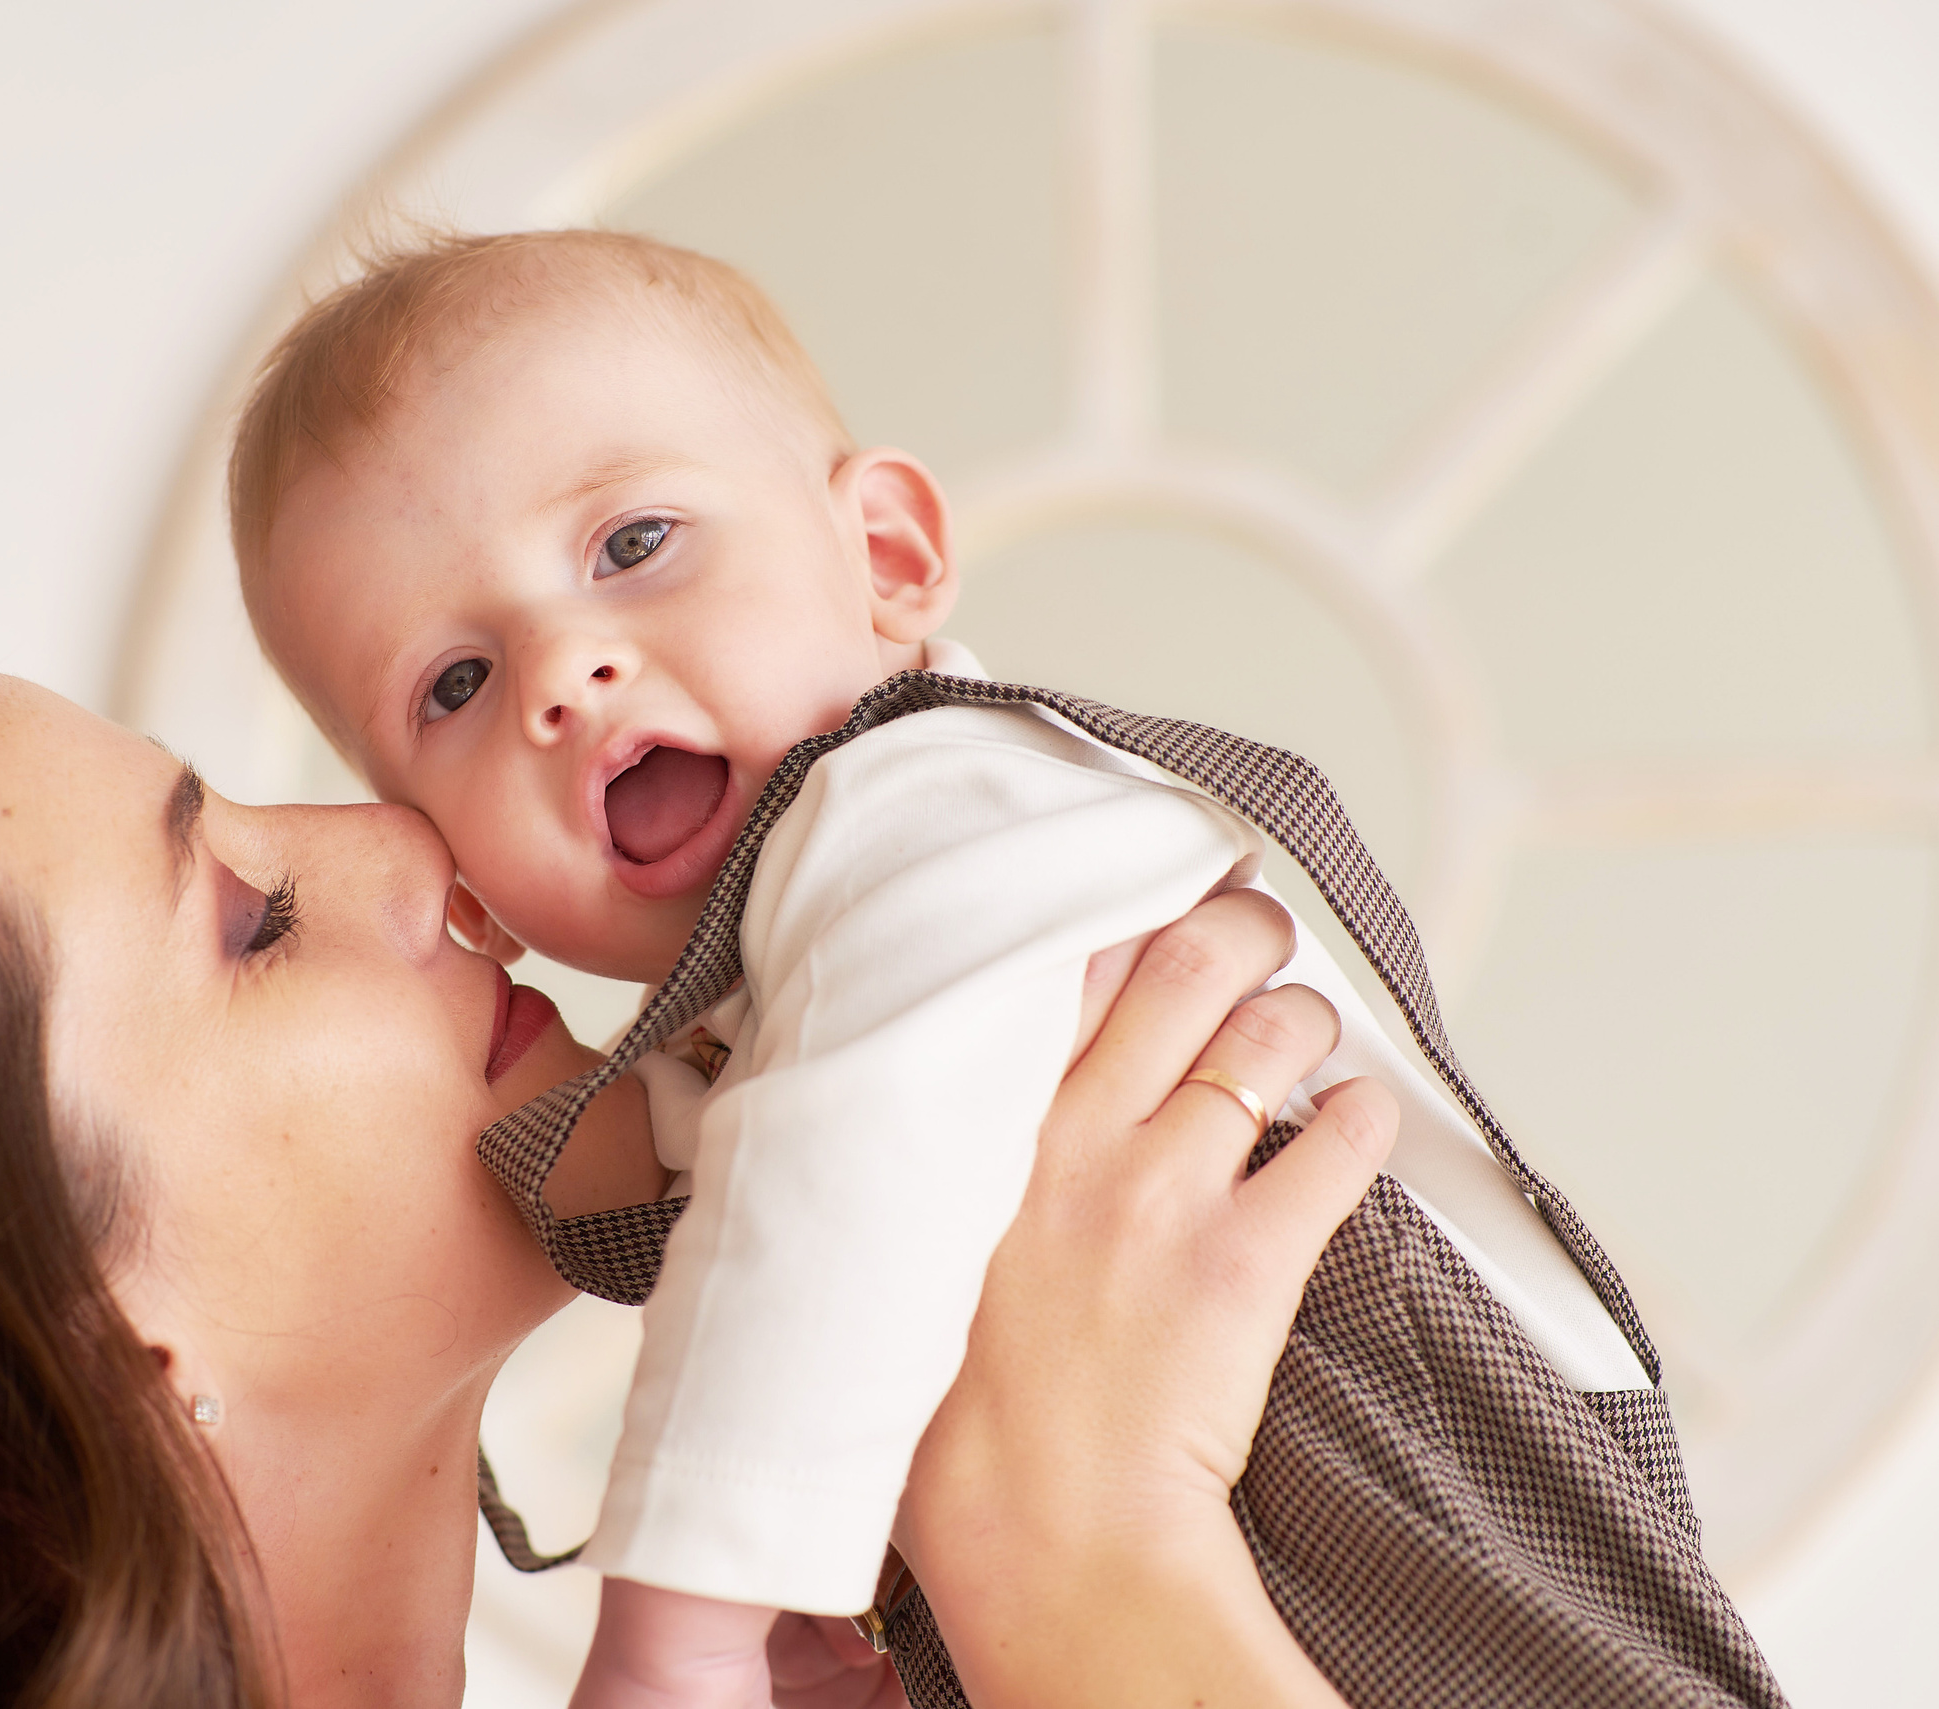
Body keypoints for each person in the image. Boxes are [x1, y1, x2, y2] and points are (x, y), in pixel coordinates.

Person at [0, 620, 1390, 1707]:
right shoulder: (1044, 1556)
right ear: (73, 1370)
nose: (407, 849)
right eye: (248, 920)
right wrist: (1087, 1572)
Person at [227, 230, 1697, 1702]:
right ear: (443, 847)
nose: (560, 672)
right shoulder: (771, 1005)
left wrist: (687, 1618)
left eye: (632, 544)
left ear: (887, 560)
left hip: (1431, 1480)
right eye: (455, 684)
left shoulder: (926, 806)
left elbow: (836, 1166)